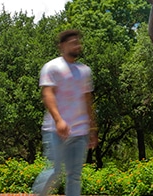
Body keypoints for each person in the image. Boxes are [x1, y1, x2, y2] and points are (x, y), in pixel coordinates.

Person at [32, 29, 98, 196]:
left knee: (74, 176)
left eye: (78, 42)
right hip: (56, 130)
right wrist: (58, 120)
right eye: (72, 42)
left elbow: (87, 101)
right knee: (53, 171)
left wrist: (92, 129)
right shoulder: (52, 67)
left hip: (80, 132)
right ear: (62, 46)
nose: (77, 45)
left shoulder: (84, 71)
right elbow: (47, 94)